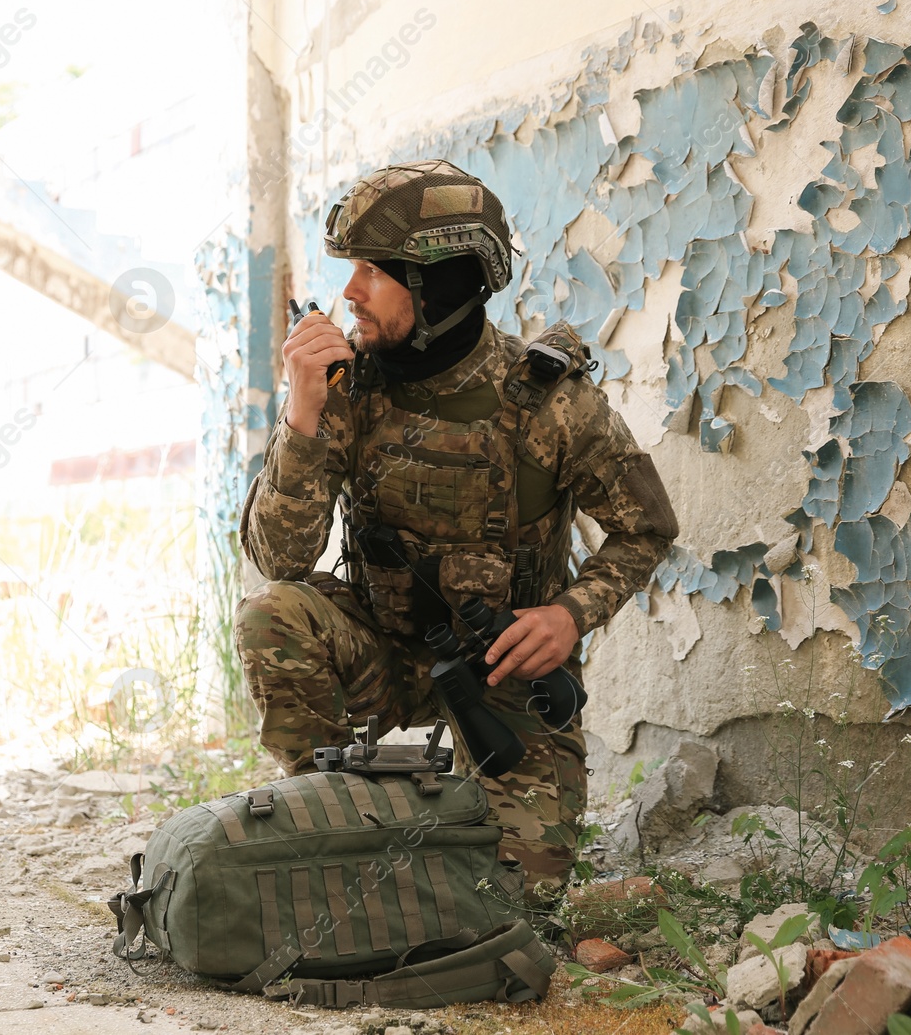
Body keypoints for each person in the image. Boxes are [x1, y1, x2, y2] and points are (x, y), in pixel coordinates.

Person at [235, 158, 678, 898]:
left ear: (438, 283)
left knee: (514, 896)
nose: (349, 293)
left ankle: (440, 832)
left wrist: (570, 615)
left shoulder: (545, 401)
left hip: (501, 673)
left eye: (374, 273)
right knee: (270, 616)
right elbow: (279, 557)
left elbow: (647, 528)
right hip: (380, 650)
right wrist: (302, 414)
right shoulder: (350, 385)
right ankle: (329, 806)